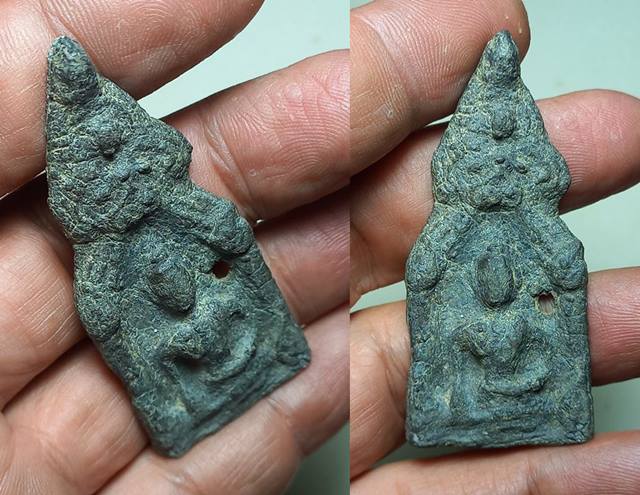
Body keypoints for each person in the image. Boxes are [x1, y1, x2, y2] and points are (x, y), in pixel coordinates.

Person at [0, 1, 348, 493]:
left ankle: (278, 358)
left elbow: (235, 249)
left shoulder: (196, 233)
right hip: (199, 390)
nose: (122, 168)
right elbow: (114, 328)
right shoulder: (109, 262)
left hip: (249, 357)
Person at [350, 0, 640, 493]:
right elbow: (443, 331)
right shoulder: (469, 308)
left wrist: (527, 375)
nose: (495, 288)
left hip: (525, 385)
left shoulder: (527, 300)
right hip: (481, 387)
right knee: (464, 385)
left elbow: (551, 339)